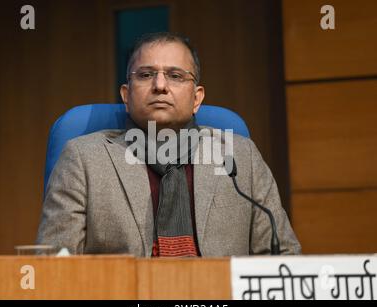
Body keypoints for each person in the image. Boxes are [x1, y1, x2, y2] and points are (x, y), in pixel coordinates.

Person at [37, 32, 301, 256]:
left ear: (197, 98)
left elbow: (284, 259)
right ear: (126, 96)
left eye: (175, 75)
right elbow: (54, 267)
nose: (160, 85)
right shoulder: (83, 159)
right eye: (146, 74)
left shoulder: (241, 156)